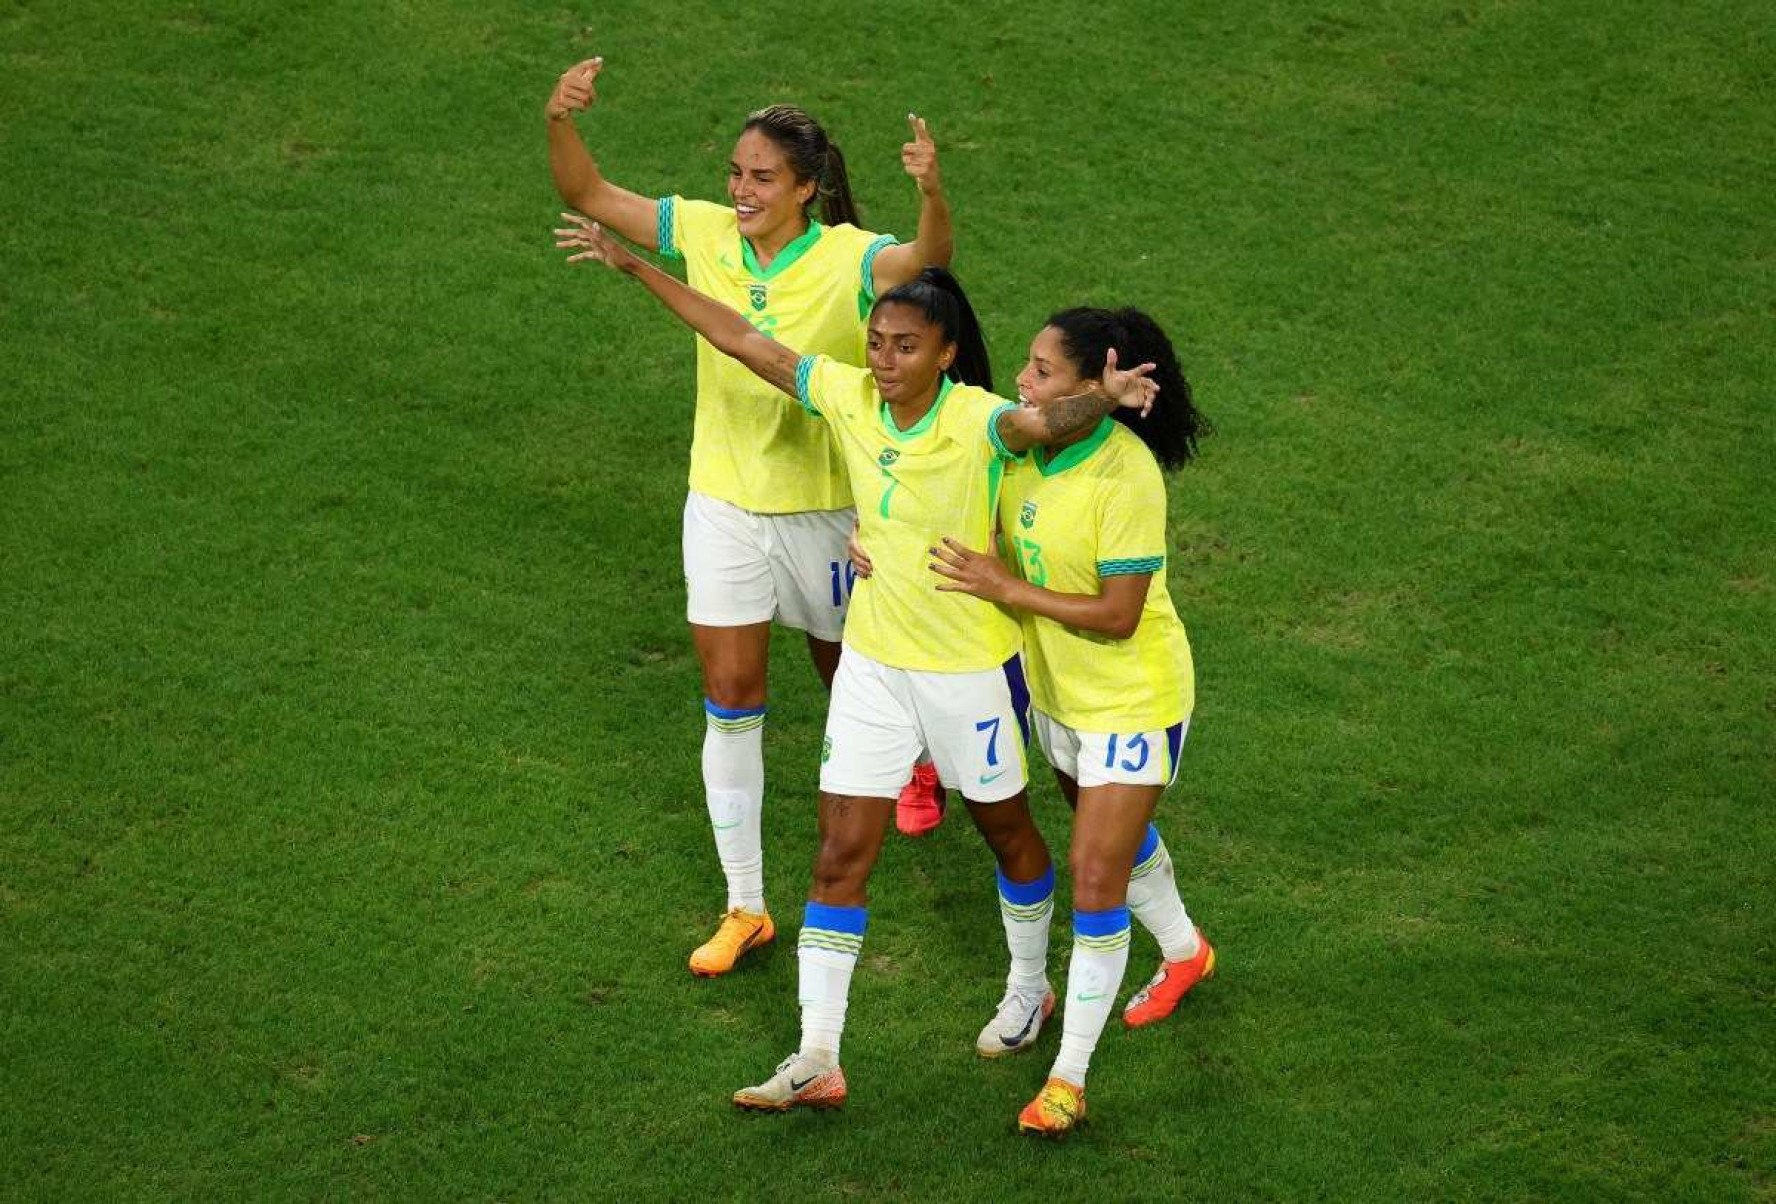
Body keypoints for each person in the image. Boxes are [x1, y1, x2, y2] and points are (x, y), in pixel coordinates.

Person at [553, 219, 1163, 1112]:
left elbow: (1042, 420)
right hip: (874, 667)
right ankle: (818, 1054)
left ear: (947, 353)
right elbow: (741, 336)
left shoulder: (977, 420)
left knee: (1007, 834)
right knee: (840, 853)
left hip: (967, 672)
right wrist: (639, 268)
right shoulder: (841, 395)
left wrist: (1102, 397)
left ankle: (1029, 983)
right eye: (875, 341)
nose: (882, 359)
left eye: (905, 346)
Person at [546, 58, 953, 977]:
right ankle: (745, 905)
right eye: (736, 172)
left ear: (808, 187)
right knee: (732, 700)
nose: (741, 190)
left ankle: (916, 758)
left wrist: (932, 192)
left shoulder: (851, 256)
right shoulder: (699, 230)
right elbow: (585, 188)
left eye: (762, 177)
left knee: (852, 674)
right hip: (725, 503)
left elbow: (927, 262)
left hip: (828, 512)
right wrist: (560, 118)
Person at [921, 306, 1214, 1136]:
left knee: (1095, 877)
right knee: (1110, 843)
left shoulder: (1125, 477)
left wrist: (1004, 589)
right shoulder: (1018, 452)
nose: (1022, 379)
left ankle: (1067, 1079)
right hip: (1059, 698)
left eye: (1043, 370)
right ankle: (1187, 951)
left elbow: (1119, 614)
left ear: (1095, 386)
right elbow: (961, 515)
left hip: (1133, 699)